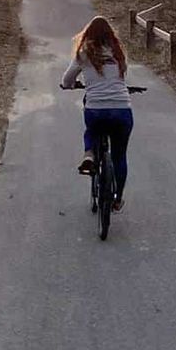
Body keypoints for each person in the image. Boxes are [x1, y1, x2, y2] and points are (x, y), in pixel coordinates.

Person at [60, 15, 133, 211]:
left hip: (96, 108)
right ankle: (117, 199)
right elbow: (122, 78)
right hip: (121, 109)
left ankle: (89, 154)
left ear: (88, 34)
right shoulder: (118, 53)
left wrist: (69, 86)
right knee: (119, 156)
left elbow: (67, 79)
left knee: (91, 130)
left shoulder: (84, 53)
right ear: (111, 35)